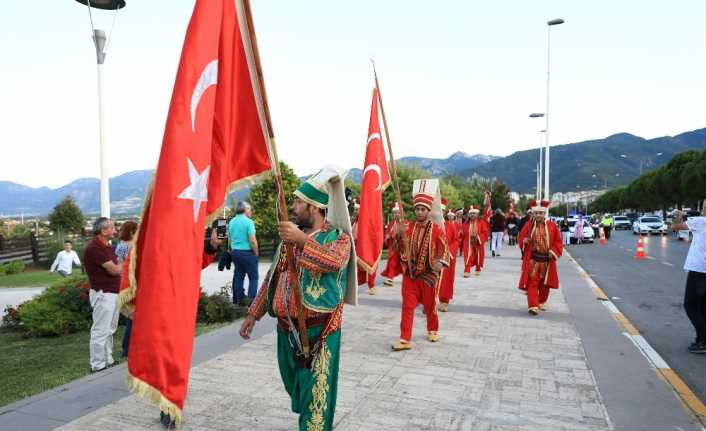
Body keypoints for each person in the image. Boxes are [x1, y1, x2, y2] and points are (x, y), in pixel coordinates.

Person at [239, 166, 356, 431]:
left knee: (317, 397)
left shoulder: (338, 239)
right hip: (287, 330)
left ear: (313, 207)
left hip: (321, 332)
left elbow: (333, 262)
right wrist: (252, 315)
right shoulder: (288, 241)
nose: (292, 207)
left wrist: (302, 240)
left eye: (297, 202)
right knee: (299, 388)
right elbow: (272, 278)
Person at [392, 179, 449, 350]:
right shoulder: (408, 227)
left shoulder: (437, 229)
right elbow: (400, 249)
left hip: (429, 275)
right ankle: (405, 339)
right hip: (411, 275)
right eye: (417, 209)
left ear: (428, 210)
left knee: (430, 306)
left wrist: (440, 261)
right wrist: (399, 236)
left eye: (423, 209)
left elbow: (444, 248)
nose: (419, 212)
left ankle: (433, 328)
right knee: (407, 306)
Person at [84, 217, 122, 373]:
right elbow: (115, 270)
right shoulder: (94, 248)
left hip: (112, 293)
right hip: (103, 294)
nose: (115, 230)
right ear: (103, 230)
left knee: (110, 329)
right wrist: (123, 264)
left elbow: (116, 265)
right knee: (100, 330)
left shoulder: (107, 246)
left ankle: (108, 360)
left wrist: (120, 264)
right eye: (112, 228)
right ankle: (98, 365)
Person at [671, 205, 706, 354]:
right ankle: (700, 340)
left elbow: (675, 227)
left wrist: (678, 214)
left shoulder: (701, 221)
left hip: (699, 269)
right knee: (703, 308)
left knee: (690, 305)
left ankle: (704, 340)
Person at [518, 200, 563, 315]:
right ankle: (533, 305)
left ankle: (541, 301)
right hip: (533, 260)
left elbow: (558, 241)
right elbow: (521, 237)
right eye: (536, 213)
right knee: (532, 282)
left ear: (544, 214)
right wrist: (525, 241)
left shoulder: (552, 226)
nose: (538, 215)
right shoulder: (528, 225)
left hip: (547, 261)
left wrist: (553, 252)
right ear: (533, 214)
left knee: (544, 284)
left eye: (540, 213)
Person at [228, 201, 259, 305]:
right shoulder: (249, 222)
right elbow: (252, 240)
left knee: (238, 276)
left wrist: (231, 250)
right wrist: (256, 252)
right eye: (249, 209)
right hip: (247, 253)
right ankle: (251, 301)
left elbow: (230, 239)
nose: (251, 211)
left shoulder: (232, 221)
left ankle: (239, 300)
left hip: (235, 252)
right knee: (253, 277)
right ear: (245, 210)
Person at [115, 220, 138, 358]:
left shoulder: (121, 246)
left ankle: (127, 348)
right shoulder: (132, 246)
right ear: (132, 231)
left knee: (132, 316)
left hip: (124, 282)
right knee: (133, 317)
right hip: (132, 282)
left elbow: (120, 265)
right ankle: (127, 348)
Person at [439, 204, 459, 312]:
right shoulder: (429, 225)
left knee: (446, 279)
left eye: (441, 211)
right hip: (433, 258)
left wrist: (449, 252)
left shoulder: (450, 226)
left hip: (447, 258)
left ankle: (444, 301)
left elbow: (456, 240)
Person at [381, 203, 405, 286]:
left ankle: (409, 278)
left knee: (404, 264)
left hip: (402, 248)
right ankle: (390, 278)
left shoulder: (405, 222)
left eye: (398, 212)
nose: (396, 214)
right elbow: (387, 233)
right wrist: (387, 236)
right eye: (395, 213)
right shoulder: (391, 223)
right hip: (393, 247)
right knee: (392, 262)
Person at [462, 205, 489, 277]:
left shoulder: (481, 222)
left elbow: (485, 232)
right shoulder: (465, 223)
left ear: (477, 214)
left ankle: (478, 268)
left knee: (478, 256)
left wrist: (479, 238)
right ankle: (467, 270)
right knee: (467, 256)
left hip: (478, 242)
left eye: (474, 213)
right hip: (468, 243)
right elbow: (462, 234)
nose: (472, 215)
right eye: (471, 213)